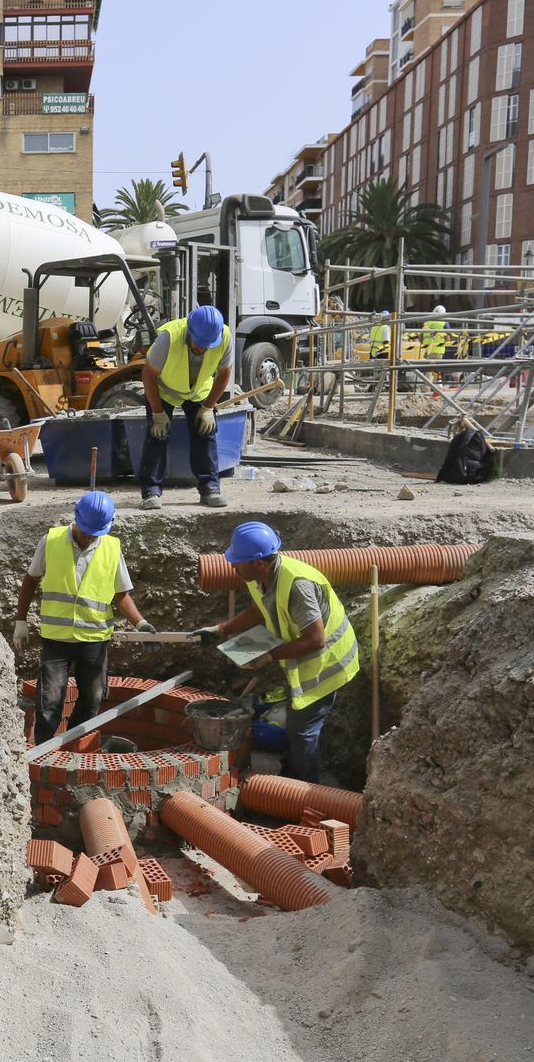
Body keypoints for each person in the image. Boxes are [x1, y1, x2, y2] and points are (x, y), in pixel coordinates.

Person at [195, 521, 359, 783]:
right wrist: (222, 630)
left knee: (303, 731)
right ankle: (293, 772)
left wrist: (268, 656)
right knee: (296, 725)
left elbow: (316, 640)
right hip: (304, 661)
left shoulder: (297, 587)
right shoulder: (258, 576)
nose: (232, 567)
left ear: (258, 562)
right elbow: (261, 609)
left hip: (327, 665)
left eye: (237, 562)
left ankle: (304, 792)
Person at [13, 491, 154, 745]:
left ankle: (71, 745)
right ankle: (45, 752)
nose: (89, 537)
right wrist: (20, 621)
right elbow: (30, 580)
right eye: (87, 530)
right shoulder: (51, 541)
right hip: (57, 639)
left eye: (95, 532)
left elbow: (121, 595)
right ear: (76, 519)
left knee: (93, 697)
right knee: (50, 700)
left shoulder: (111, 548)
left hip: (94, 640)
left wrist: (141, 623)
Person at [138, 304, 232, 510]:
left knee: (206, 434)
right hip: (164, 389)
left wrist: (208, 408)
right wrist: (157, 413)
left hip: (198, 389)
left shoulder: (224, 336)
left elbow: (224, 374)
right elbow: (148, 375)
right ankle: (151, 492)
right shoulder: (168, 338)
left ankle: (210, 489)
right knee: (157, 435)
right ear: (189, 331)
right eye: (199, 343)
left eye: (208, 344)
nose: (203, 349)